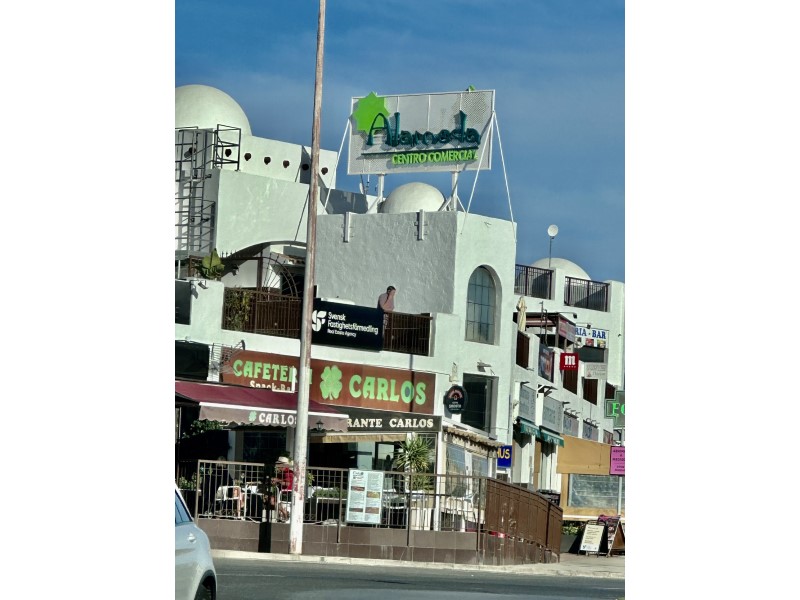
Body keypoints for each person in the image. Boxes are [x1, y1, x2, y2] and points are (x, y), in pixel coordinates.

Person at [272, 456, 294, 522]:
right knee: (270, 499)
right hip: (282, 492)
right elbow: (280, 482)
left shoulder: (287, 472)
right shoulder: (282, 472)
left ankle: (284, 513)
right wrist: (275, 481)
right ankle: (282, 514)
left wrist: (277, 480)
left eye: (279, 464)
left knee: (271, 500)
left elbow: (287, 484)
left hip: (286, 493)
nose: (277, 466)